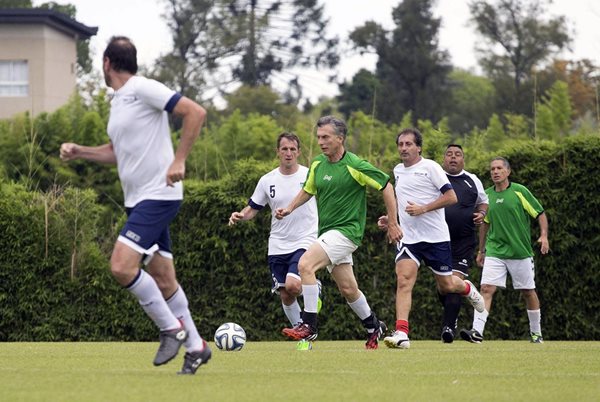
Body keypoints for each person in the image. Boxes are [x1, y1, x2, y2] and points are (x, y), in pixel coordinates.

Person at [59, 36, 210, 374]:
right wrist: (80, 151)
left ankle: (171, 328)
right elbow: (116, 152)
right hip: (137, 200)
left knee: (121, 267)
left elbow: (194, 112)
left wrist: (179, 160)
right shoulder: (120, 102)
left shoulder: (142, 88)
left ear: (107, 63)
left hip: (158, 195)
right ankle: (197, 346)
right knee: (164, 278)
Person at [274, 115, 402, 349]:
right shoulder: (317, 165)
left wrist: (393, 223)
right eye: (319, 137)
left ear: (340, 139)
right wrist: (289, 208)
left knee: (304, 266)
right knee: (348, 289)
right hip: (328, 233)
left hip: (347, 232)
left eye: (326, 137)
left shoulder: (355, 165)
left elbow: (386, 185)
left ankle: (309, 325)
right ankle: (374, 326)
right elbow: (308, 190)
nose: (321, 142)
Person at [378, 128, 486, 349]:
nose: (404, 148)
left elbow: (451, 196)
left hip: (436, 238)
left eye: (409, 144)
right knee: (404, 280)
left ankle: (466, 288)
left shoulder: (431, 167)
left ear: (419, 147)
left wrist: (424, 208)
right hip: (409, 239)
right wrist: (391, 219)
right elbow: (402, 200)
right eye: (401, 144)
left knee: (447, 286)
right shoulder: (397, 170)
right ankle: (402, 333)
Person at [228, 132, 320, 329]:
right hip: (278, 243)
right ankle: (301, 333)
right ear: (277, 152)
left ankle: (313, 288)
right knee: (285, 294)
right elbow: (253, 208)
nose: (288, 153)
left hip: (305, 238)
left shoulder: (309, 175)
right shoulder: (267, 180)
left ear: (299, 152)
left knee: (294, 285)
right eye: (284, 149)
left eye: (292, 149)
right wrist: (240, 215)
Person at [459, 157, 549, 344]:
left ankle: (536, 333)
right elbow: (485, 224)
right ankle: (477, 332)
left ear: (508, 172)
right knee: (486, 289)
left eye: (499, 168)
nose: (495, 171)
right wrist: (481, 250)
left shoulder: (520, 191)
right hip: (495, 251)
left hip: (520, 252)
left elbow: (540, 213)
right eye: (492, 169)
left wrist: (544, 236)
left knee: (528, 292)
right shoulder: (487, 195)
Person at [438, 144, 489, 343]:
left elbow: (483, 202)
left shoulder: (472, 180)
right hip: (438, 240)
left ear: (463, 160)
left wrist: (482, 213)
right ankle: (466, 289)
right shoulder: (436, 177)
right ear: (444, 159)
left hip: (463, 241)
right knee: (443, 286)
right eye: (449, 154)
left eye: (457, 154)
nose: (453, 158)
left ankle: (448, 328)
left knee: (451, 282)